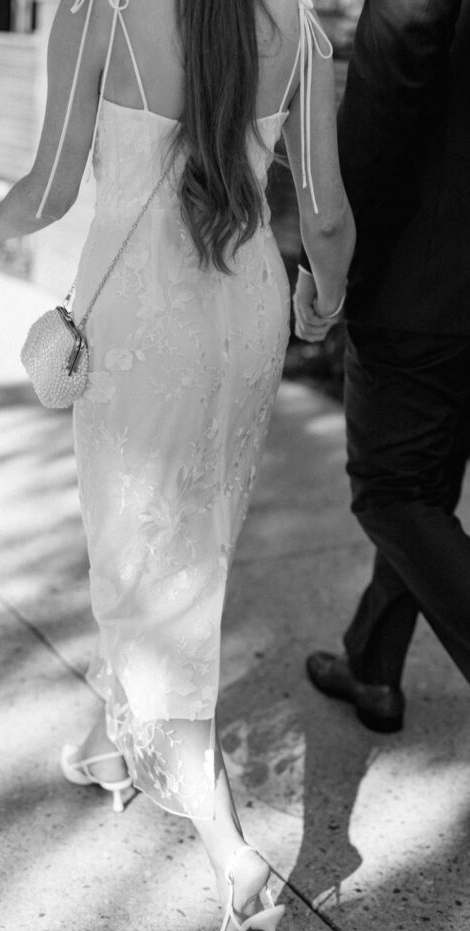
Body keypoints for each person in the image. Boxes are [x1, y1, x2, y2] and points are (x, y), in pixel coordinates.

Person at [0, 0, 354, 931]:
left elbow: (46, 190)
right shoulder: (301, 27)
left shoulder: (98, 16)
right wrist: (326, 295)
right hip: (247, 319)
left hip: (142, 334)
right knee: (188, 548)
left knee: (142, 569)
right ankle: (116, 747)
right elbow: (322, 210)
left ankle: (231, 852)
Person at [294, 0, 470, 734]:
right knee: (423, 486)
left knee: (392, 493)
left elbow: (386, 84)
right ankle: (371, 667)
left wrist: (330, 265)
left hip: (424, 278)